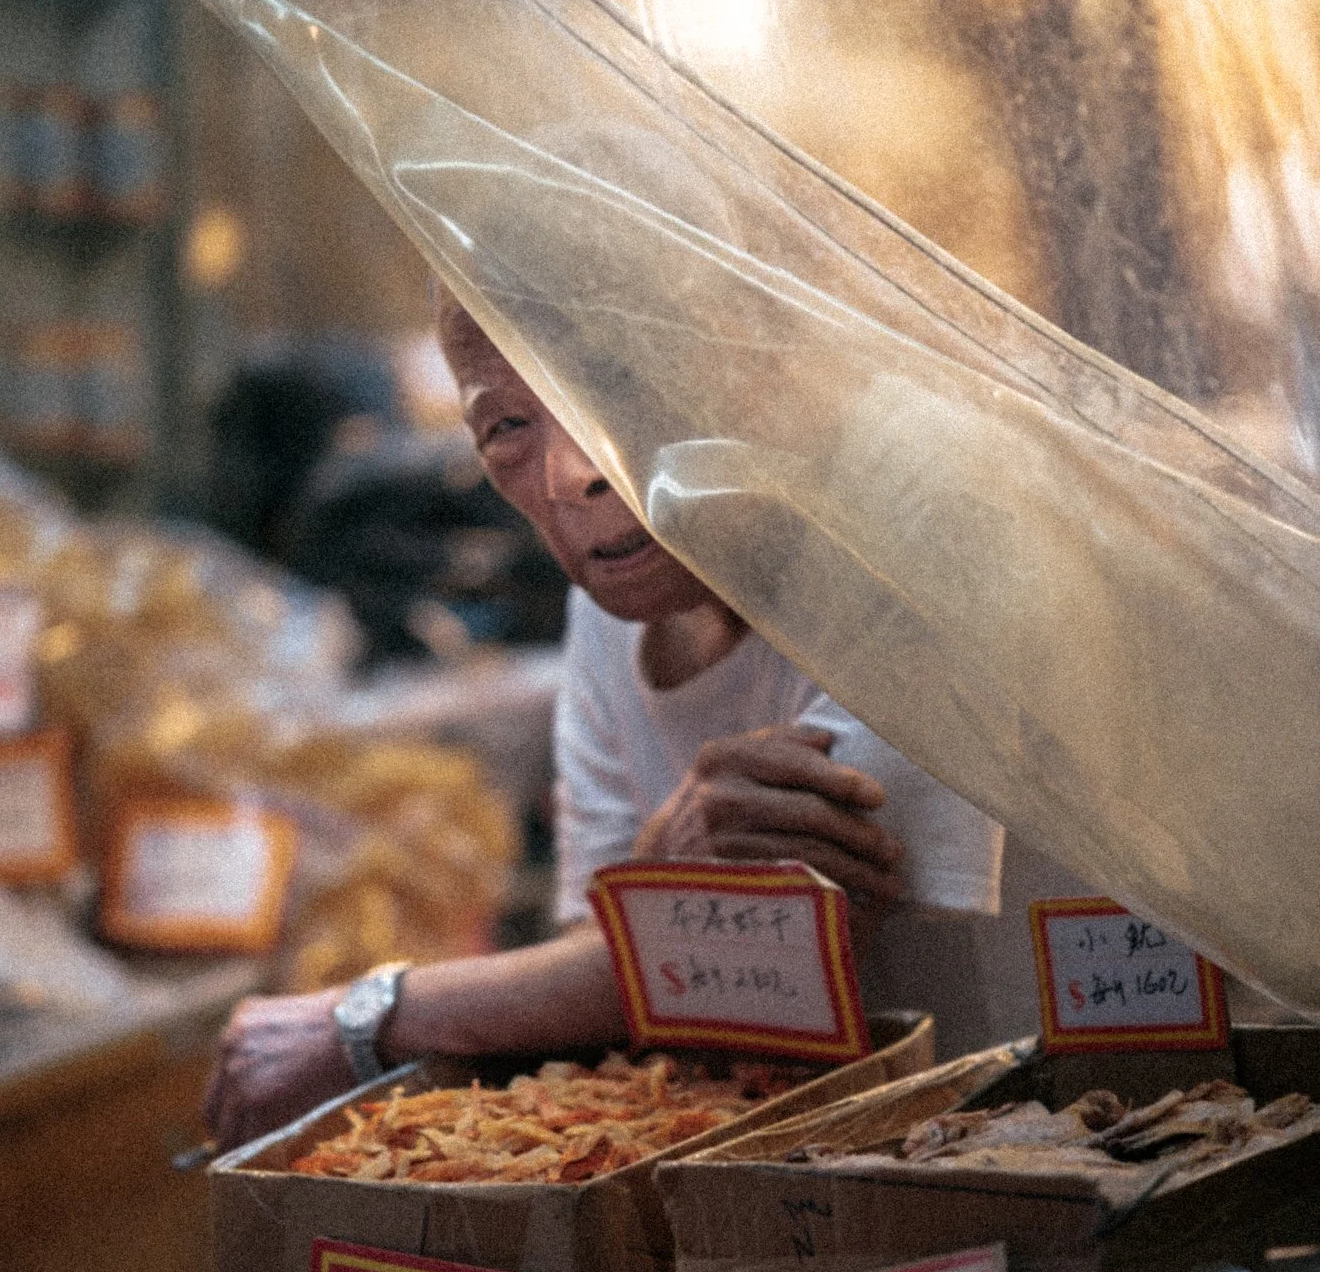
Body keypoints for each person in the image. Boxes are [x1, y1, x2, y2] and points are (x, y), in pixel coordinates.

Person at [204, 289, 1029, 1150]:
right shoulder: (606, 608)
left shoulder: (918, 512)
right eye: (506, 428)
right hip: (814, 1159)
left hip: (1023, 1125)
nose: (569, 473)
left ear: (743, 363)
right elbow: (614, 954)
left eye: (611, 386)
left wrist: (371, 1012)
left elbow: (803, 914)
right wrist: (661, 881)